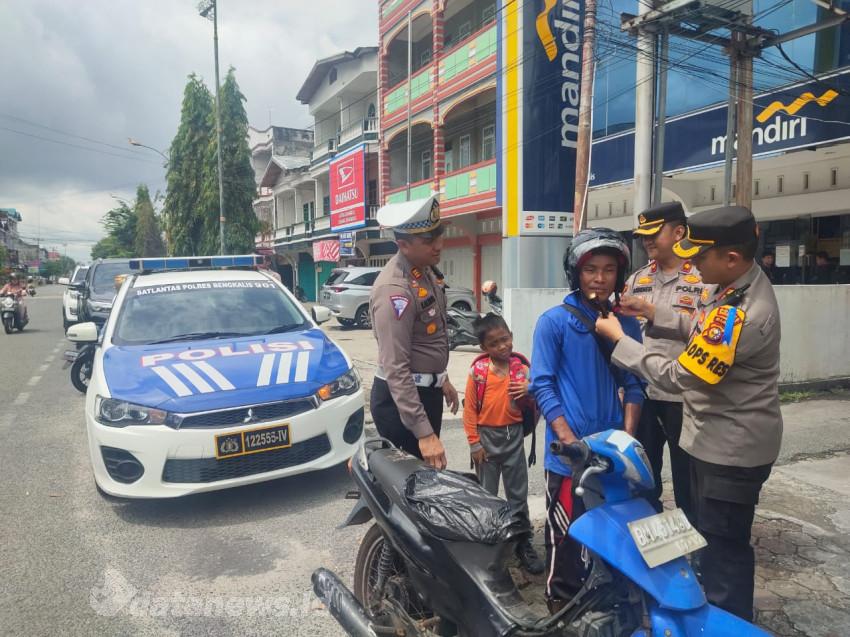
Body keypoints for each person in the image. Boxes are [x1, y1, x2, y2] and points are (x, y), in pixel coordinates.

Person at [595, 205, 782, 622]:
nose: (692, 263)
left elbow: (681, 377)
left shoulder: (743, 312)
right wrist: (653, 313)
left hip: (729, 448)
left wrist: (619, 343)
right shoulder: (734, 284)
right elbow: (701, 326)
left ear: (730, 257)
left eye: (700, 256)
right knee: (712, 534)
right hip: (717, 437)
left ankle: (725, 621)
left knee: (723, 550)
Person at [529, 228, 645, 613]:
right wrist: (570, 441)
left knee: (613, 532)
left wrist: (627, 440)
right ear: (575, 273)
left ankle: (605, 605)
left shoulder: (624, 324)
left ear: (619, 274)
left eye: (608, 269)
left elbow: (634, 383)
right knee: (566, 537)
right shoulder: (554, 322)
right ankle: (560, 608)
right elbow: (542, 385)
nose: (599, 277)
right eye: (591, 269)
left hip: (611, 454)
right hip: (568, 457)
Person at [625, 202, 706, 519]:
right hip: (643, 394)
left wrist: (654, 315)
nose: (646, 240)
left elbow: (707, 336)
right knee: (643, 476)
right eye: (642, 235)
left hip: (683, 397)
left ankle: (696, 544)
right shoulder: (637, 280)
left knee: (690, 479)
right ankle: (651, 544)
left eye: (652, 233)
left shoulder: (703, 280)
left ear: (679, 232)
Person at [369, 196, 459, 469]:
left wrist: (440, 378)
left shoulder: (424, 272)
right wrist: (424, 432)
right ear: (403, 245)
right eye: (429, 241)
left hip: (423, 394)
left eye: (439, 235)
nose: (439, 245)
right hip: (402, 405)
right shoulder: (395, 290)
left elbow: (426, 338)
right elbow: (395, 366)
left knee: (426, 486)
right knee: (410, 493)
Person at [463, 313, 544, 575]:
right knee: (486, 496)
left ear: (511, 336)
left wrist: (530, 390)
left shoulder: (522, 369)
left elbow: (539, 397)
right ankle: (488, 546)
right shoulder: (479, 372)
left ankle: (522, 543)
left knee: (517, 496)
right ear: (484, 348)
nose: (502, 346)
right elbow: (470, 411)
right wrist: (475, 444)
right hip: (486, 441)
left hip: (513, 439)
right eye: (495, 343)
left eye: (505, 339)